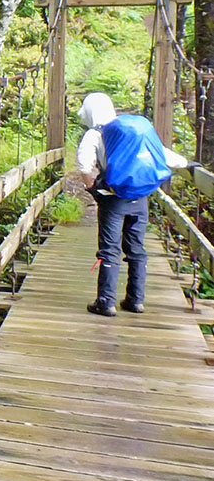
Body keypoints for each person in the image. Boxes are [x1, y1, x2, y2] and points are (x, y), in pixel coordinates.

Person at [76, 93, 193, 316]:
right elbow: (161, 154)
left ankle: (106, 302)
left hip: (114, 198)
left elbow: (84, 166)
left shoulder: (95, 134)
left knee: (109, 249)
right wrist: (188, 164)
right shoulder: (130, 131)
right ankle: (135, 300)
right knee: (137, 248)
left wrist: (93, 189)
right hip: (140, 197)